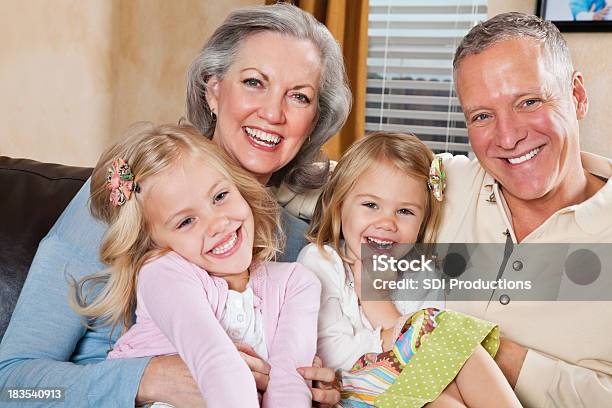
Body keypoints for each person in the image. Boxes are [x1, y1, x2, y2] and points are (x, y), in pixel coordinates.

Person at [0, 3, 349, 407]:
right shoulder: (130, 194)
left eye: (299, 97)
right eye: (254, 82)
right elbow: (11, 383)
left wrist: (317, 388)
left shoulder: (295, 245)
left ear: (315, 121)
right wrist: (147, 379)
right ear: (212, 89)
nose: (273, 112)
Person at [72, 123, 320, 408]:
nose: (219, 224)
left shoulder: (297, 282)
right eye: (186, 221)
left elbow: (291, 381)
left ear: (239, 187)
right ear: (153, 244)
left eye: (220, 196)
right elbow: (216, 363)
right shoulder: (163, 274)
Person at [438, 12, 612, 407]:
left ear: (577, 96)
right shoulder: (444, 186)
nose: (509, 136)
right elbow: (314, 185)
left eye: (529, 102)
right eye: (482, 116)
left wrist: (494, 353)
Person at [298, 132, 521, 407]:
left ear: (422, 222)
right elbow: (328, 352)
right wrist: (382, 316)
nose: (387, 222)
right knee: (445, 337)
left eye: (405, 212)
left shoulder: (420, 273)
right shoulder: (321, 262)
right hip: (353, 394)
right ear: (340, 205)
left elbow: (429, 357)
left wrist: (377, 299)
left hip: (413, 391)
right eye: (370, 205)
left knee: (456, 369)